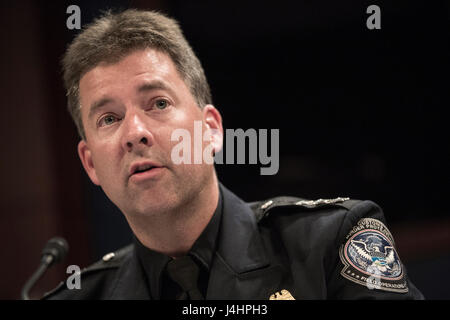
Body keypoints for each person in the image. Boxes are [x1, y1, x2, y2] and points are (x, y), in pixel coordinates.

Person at [44, 9, 424, 300]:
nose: (135, 133)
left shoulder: (331, 244)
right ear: (90, 162)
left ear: (211, 130)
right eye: (109, 118)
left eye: (158, 103)